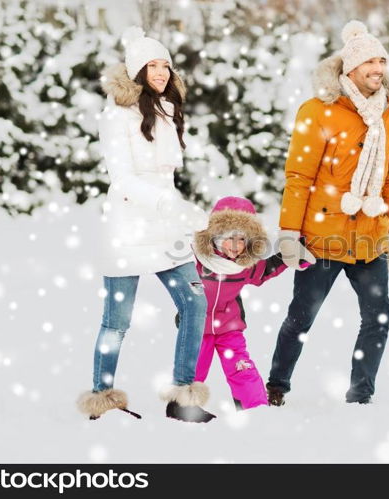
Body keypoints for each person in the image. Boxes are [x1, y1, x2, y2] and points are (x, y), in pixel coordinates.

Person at [76, 27, 215, 423]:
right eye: (152, 65)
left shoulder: (167, 112)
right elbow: (123, 179)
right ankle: (103, 400)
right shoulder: (116, 116)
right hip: (127, 231)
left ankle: (183, 397)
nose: (161, 72)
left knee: (195, 302)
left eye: (165, 65)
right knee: (116, 322)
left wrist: (177, 209)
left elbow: (163, 176)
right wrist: (169, 204)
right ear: (136, 71)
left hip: (166, 231)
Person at [267, 20, 389, 406]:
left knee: (378, 317)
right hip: (322, 238)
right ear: (350, 69)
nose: (378, 69)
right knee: (300, 318)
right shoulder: (318, 111)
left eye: (382, 61)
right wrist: (289, 233)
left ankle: (361, 396)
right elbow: (299, 177)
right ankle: (277, 385)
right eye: (369, 63)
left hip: (370, 237)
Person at [176, 196, 307, 410]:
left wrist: (288, 256)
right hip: (196, 325)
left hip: (229, 326)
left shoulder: (245, 265)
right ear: (216, 236)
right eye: (230, 238)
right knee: (193, 368)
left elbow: (264, 271)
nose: (236, 246)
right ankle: (183, 406)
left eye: (242, 240)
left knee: (241, 368)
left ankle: (254, 406)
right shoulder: (197, 259)